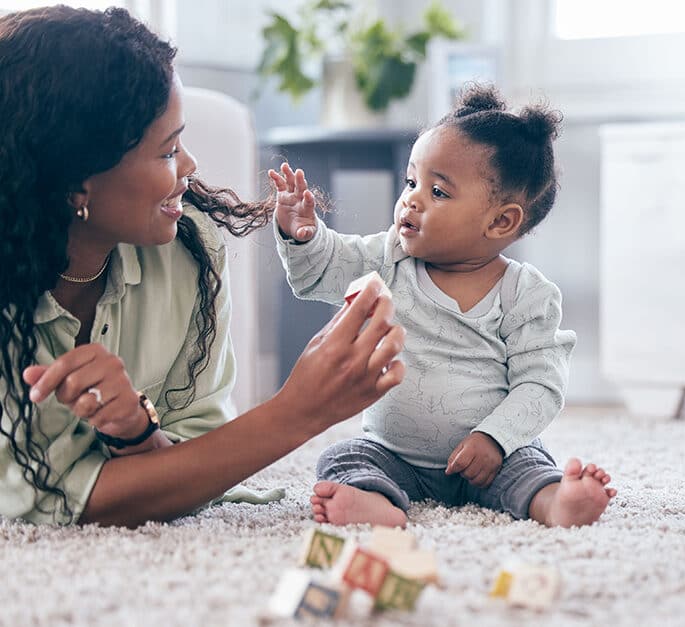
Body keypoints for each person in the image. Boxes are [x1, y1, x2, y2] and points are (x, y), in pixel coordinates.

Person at [0, 6, 405, 527]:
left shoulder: (189, 255)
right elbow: (36, 502)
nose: (190, 166)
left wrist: (137, 432)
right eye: (168, 150)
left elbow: (195, 465)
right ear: (77, 180)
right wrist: (300, 411)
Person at [272, 84, 616, 528]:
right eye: (412, 181)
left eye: (438, 192)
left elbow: (541, 384)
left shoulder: (525, 294)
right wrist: (304, 235)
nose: (411, 199)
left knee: (529, 469)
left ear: (500, 221)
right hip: (393, 453)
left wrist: (495, 439)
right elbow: (326, 269)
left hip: (492, 459)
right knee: (344, 458)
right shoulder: (390, 256)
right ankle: (376, 503)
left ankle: (557, 503)